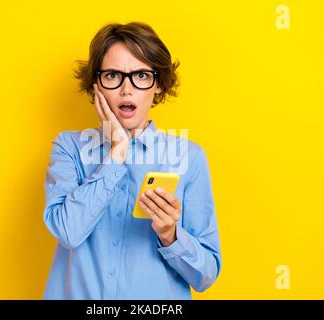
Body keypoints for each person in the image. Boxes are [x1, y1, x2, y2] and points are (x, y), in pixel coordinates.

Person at [42, 22, 221, 299]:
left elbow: (206, 275)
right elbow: (68, 232)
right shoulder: (69, 148)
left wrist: (170, 235)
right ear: (96, 86)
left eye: (140, 75)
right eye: (113, 75)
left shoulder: (189, 158)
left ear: (158, 84)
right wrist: (117, 151)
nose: (127, 89)